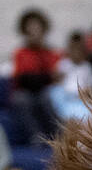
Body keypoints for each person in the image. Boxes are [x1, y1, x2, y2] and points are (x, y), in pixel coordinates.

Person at [9, 8, 61, 144]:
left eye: (37, 28)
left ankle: (58, 135)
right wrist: (45, 78)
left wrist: (42, 78)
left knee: (48, 98)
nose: (34, 33)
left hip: (45, 93)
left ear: (43, 30)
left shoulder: (52, 53)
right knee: (20, 99)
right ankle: (36, 137)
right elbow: (23, 79)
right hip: (27, 93)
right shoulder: (20, 53)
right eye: (30, 29)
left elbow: (56, 77)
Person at [47, 32, 92, 123]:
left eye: (79, 50)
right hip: (65, 99)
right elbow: (55, 80)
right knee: (54, 92)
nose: (76, 53)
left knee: (89, 115)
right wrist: (57, 77)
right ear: (69, 50)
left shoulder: (87, 67)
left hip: (81, 100)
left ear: (84, 52)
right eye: (73, 50)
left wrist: (88, 90)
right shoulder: (63, 64)